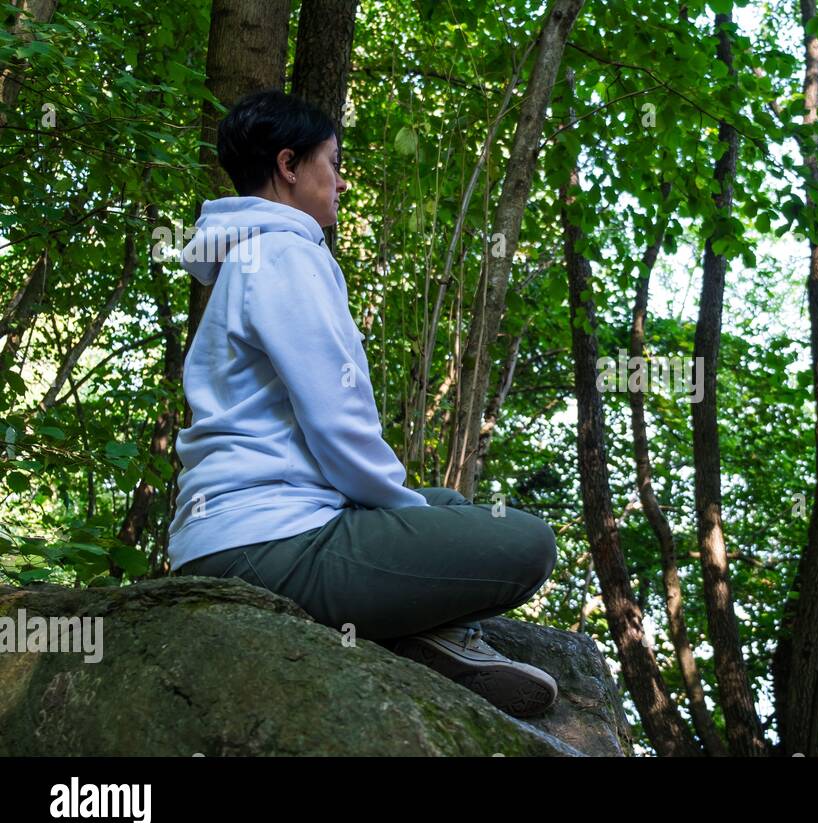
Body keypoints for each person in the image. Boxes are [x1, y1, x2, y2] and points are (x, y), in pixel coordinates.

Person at [167, 89, 558, 718]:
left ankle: (425, 638)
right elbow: (335, 418)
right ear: (290, 165)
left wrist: (414, 512)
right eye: (333, 162)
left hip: (238, 534)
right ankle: (430, 635)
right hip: (265, 545)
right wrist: (401, 509)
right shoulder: (283, 252)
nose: (343, 182)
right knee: (527, 544)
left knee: (450, 506)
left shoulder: (252, 252)